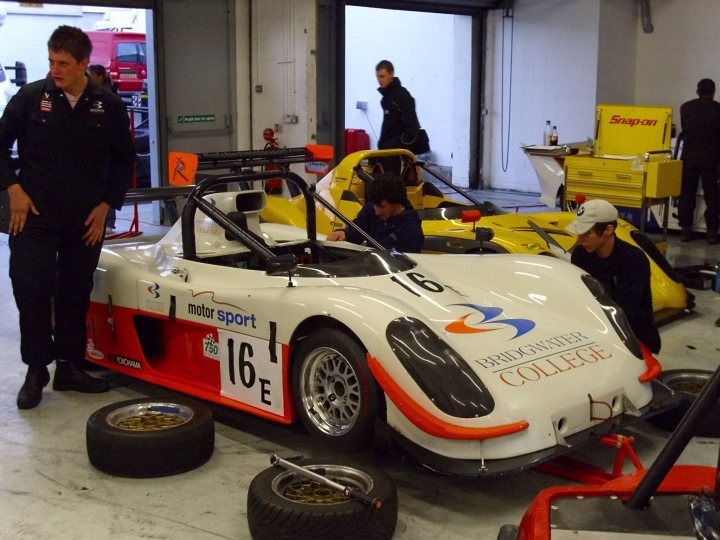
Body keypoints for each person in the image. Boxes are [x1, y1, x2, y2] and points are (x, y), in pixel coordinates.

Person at [0, 26, 135, 409]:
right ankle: (35, 370)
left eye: (63, 63)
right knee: (32, 289)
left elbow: (124, 161)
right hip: (34, 217)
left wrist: (108, 206)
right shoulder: (30, 98)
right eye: (51, 61)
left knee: (75, 293)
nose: (54, 70)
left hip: (84, 220)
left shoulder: (107, 105)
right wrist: (14, 189)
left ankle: (69, 367)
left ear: (82, 64)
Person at [566, 199, 661, 354]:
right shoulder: (580, 255)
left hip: (633, 336)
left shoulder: (634, 260)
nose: (579, 239)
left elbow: (625, 313)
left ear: (608, 230)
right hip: (594, 329)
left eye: (587, 233)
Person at [326, 172, 424, 253]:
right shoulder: (372, 208)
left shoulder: (412, 230)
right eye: (375, 205)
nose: (377, 212)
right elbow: (357, 230)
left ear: (396, 203)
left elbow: (405, 264)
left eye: (382, 206)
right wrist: (344, 233)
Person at [678, 78, 720, 244]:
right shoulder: (718, 109)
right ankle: (712, 233)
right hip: (711, 158)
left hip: (689, 157)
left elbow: (686, 130)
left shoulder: (685, 108)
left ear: (697, 91)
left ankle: (685, 231)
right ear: (713, 91)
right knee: (713, 197)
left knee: (686, 194)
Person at [375, 60, 422, 175]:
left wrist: (398, 147)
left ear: (391, 74)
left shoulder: (401, 96)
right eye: (378, 77)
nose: (380, 80)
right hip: (386, 150)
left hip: (395, 152)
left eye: (382, 76)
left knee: (393, 183)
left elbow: (412, 125)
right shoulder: (387, 98)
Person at [88, 64, 118, 235]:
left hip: (106, 153)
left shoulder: (108, 97)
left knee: (107, 188)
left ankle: (109, 223)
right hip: (96, 155)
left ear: (99, 76)